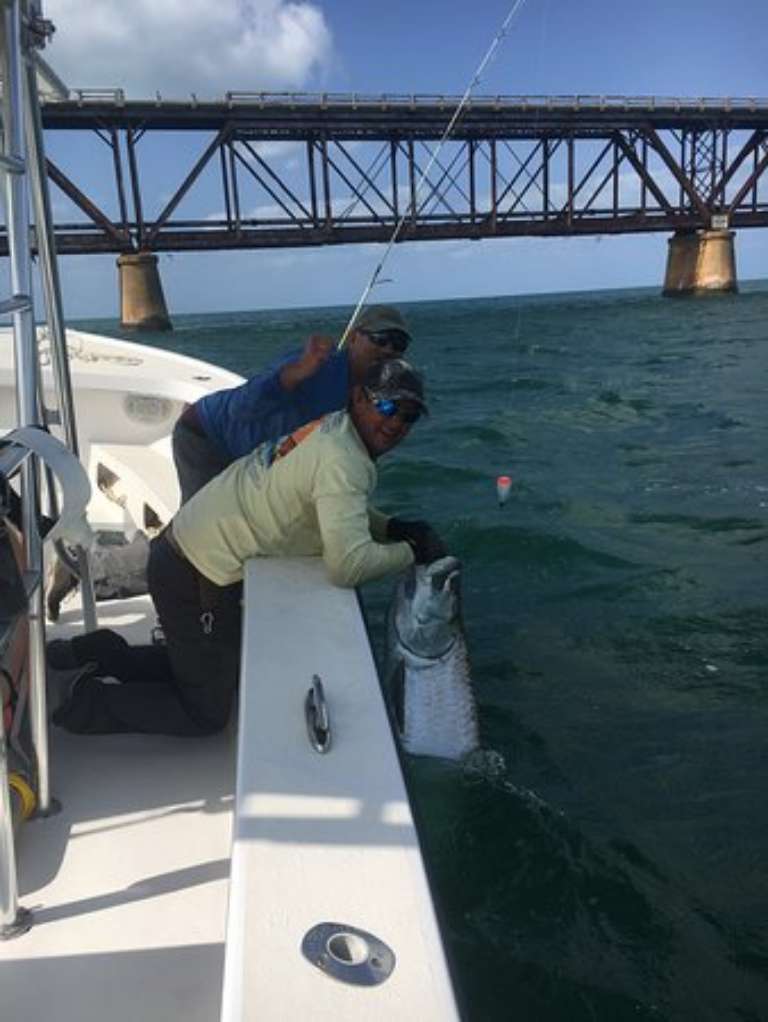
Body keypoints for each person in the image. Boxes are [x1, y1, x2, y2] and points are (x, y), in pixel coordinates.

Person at [49, 358, 446, 737]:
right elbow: (347, 565)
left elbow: (335, 496)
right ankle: (83, 702)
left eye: (408, 416)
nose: (395, 422)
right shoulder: (346, 460)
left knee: (217, 668)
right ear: (359, 397)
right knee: (205, 713)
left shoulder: (334, 429)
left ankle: (99, 653)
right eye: (388, 406)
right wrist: (412, 553)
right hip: (193, 572)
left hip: (188, 552)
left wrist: (391, 526)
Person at [172, 304, 413, 503]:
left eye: (398, 344)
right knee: (195, 529)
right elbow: (241, 409)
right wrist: (292, 375)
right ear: (353, 337)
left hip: (256, 462)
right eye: (380, 339)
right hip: (207, 436)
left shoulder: (367, 394)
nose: (389, 349)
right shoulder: (313, 366)